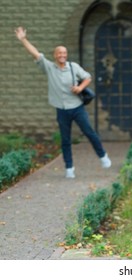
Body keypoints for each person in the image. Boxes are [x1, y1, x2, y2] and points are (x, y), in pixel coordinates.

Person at [15, 26, 111, 178]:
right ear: (55, 55)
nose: (62, 55)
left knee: (89, 132)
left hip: (77, 108)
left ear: (66, 55)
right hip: (61, 110)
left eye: (64, 53)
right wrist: (23, 39)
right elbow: (35, 53)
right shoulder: (49, 68)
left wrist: (80, 88)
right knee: (65, 140)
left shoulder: (73, 67)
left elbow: (88, 77)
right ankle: (69, 169)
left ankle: (103, 156)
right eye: (59, 53)